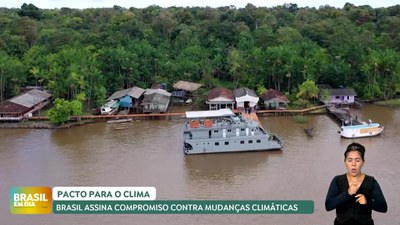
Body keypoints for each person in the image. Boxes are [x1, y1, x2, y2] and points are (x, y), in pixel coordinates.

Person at [325, 142, 387, 225]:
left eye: (357, 160)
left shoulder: (371, 182)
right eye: (349, 160)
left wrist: (367, 202)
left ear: (363, 162)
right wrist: (347, 193)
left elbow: (383, 207)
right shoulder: (337, 180)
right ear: (345, 162)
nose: (353, 164)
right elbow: (328, 206)